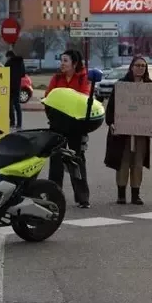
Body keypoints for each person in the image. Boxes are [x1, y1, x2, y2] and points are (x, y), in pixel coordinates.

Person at [104, 56, 152, 206]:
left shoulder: (150, 86)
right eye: (137, 65)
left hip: (141, 132)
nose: (140, 68)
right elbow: (111, 108)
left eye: (143, 66)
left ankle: (135, 195)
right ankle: (121, 194)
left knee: (138, 163)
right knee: (123, 162)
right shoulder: (121, 85)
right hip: (123, 133)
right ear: (131, 67)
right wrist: (111, 123)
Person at [46, 49, 92, 208]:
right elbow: (48, 97)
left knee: (77, 159)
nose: (62, 64)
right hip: (57, 125)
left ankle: (82, 198)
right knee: (56, 160)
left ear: (74, 63)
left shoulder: (83, 79)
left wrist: (64, 99)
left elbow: (84, 98)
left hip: (76, 126)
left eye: (65, 61)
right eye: (61, 60)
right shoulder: (56, 78)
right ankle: (54, 196)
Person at [4, 49, 26, 129]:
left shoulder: (8, 63)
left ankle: (12, 122)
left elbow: (4, 74)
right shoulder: (20, 62)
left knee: (10, 105)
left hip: (9, 86)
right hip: (17, 86)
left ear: (9, 56)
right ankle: (19, 124)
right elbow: (23, 74)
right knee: (17, 105)